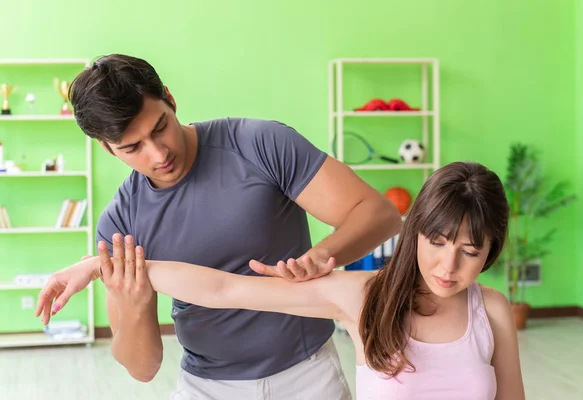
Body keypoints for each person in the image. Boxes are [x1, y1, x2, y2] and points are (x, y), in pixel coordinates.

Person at [35, 53, 401, 399]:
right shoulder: (120, 224)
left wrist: (324, 254)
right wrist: (133, 305)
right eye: (134, 148)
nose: (158, 154)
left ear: (171, 100)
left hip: (307, 375)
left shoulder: (259, 144)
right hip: (206, 387)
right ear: (107, 148)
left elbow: (380, 214)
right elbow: (143, 369)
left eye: (160, 127)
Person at [38, 161, 526, 400]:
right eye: (438, 243)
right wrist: (95, 266)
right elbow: (221, 288)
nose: (448, 267)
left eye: (469, 252)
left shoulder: (493, 311)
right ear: (416, 231)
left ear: (489, 253)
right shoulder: (363, 296)